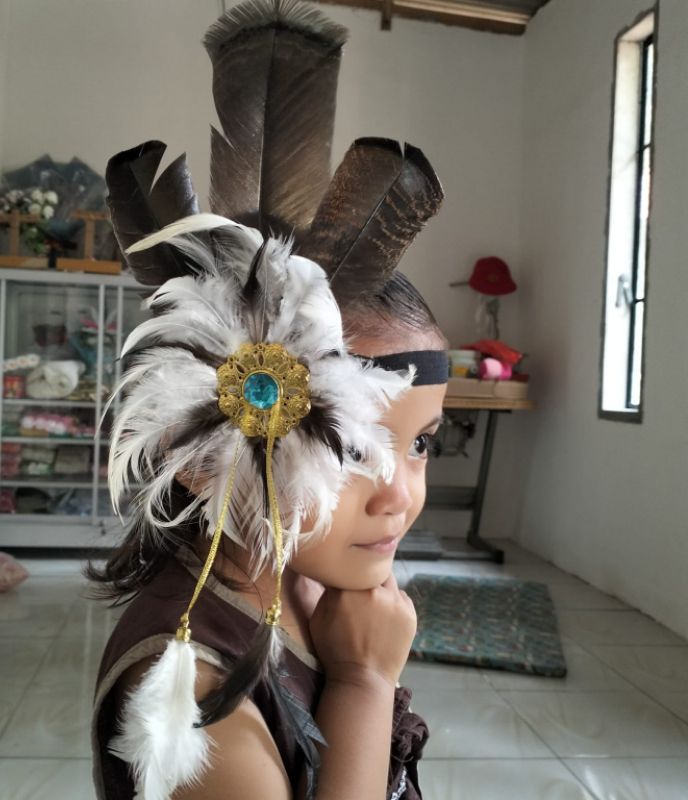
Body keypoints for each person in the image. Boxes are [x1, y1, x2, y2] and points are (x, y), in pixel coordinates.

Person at [89, 2, 450, 798]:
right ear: (202, 451)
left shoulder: (308, 585)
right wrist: (363, 683)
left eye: (422, 443)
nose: (400, 494)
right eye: (352, 447)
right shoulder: (194, 710)